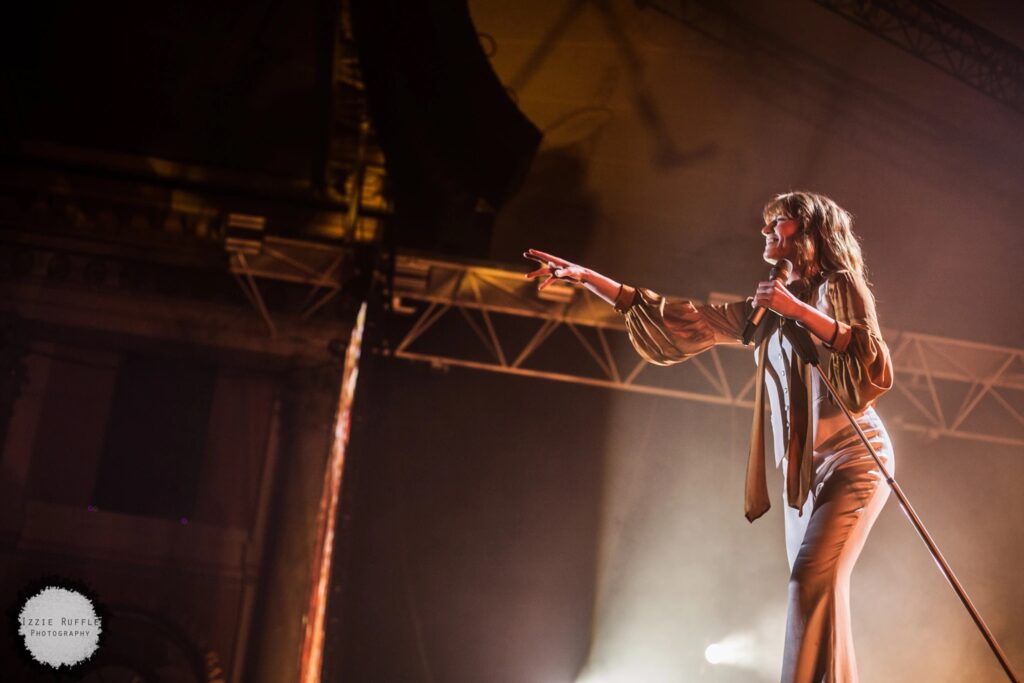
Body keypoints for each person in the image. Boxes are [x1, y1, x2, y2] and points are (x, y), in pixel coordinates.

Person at [524, 191, 894, 683]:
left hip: (854, 458)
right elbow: (684, 320)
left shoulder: (837, 285)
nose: (765, 233)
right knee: (820, 595)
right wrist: (591, 279)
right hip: (803, 476)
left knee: (810, 582)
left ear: (807, 234)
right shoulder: (765, 310)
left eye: (776, 224)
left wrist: (798, 311)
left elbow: (872, 360)